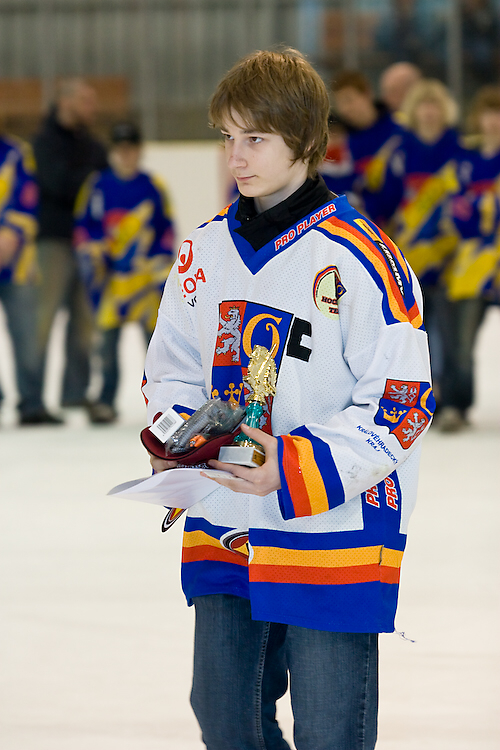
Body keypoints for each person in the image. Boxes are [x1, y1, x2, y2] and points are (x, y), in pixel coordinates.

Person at [142, 48, 434, 749]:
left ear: (305, 141)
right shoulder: (204, 251)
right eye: (227, 137)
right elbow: (170, 368)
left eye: (256, 138)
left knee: (330, 732)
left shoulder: (361, 256)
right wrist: (181, 440)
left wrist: (295, 466)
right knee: (224, 716)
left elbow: (402, 402)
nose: (235, 157)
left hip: (331, 525)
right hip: (226, 516)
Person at [74, 122, 175, 424]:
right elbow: (83, 226)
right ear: (112, 151)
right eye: (121, 149)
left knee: (156, 348)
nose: (126, 154)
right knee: (105, 346)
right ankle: (105, 400)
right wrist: (93, 251)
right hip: (111, 282)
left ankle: (164, 403)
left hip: (145, 283)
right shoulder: (97, 186)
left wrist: (160, 262)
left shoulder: (153, 186)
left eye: (131, 148)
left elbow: (166, 229)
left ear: (140, 151)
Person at [375, 79, 467, 407]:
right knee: (415, 327)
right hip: (407, 251)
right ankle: (429, 393)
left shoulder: (459, 149)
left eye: (435, 104)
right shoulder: (400, 150)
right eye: (424, 105)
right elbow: (386, 199)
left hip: (451, 251)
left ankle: (452, 397)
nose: (429, 112)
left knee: (450, 331)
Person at [32, 78, 108, 415]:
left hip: (88, 245)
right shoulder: (44, 142)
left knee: (84, 322)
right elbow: (58, 184)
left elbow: (103, 187)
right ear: (66, 101)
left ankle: (74, 392)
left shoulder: (93, 144)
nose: (93, 107)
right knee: (42, 321)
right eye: (86, 100)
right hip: (54, 242)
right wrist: (88, 178)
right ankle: (32, 399)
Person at [437, 86, 500, 432]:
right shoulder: (465, 160)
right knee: (460, 343)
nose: (494, 120)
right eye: (488, 112)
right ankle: (456, 406)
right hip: (470, 266)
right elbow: (456, 213)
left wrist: (475, 209)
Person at [0, 132, 60, 424]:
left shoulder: (16, 153)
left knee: (27, 336)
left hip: (18, 265)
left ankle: (32, 403)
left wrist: (11, 233)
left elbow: (28, 200)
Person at [331, 70, 403, 222]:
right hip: (365, 224)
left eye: (349, 100)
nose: (344, 109)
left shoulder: (400, 132)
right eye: (339, 103)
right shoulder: (343, 142)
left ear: (367, 94)